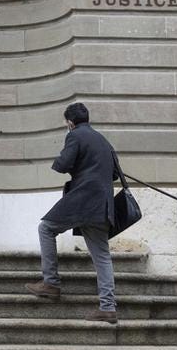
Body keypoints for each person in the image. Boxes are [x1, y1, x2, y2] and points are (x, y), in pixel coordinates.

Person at [25, 102, 121, 324]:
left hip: (83, 200)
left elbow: (63, 164)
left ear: (70, 122)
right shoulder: (103, 140)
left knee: (46, 228)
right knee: (102, 256)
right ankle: (108, 307)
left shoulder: (75, 135)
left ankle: (51, 283)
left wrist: (66, 159)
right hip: (102, 205)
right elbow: (115, 174)